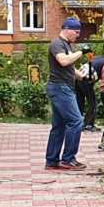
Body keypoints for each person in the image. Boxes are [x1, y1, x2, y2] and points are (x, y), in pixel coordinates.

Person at [44, 18, 87, 171]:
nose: (78, 35)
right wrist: (80, 52)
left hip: (62, 87)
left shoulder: (67, 45)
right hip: (60, 88)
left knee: (59, 126)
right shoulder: (57, 43)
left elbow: (68, 67)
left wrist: (82, 75)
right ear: (67, 29)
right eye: (76, 32)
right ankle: (68, 159)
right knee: (76, 121)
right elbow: (63, 61)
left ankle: (52, 161)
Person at [75, 49, 99, 132]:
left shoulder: (98, 59)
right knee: (92, 104)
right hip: (85, 79)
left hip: (78, 78)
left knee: (79, 102)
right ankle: (89, 125)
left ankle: (77, 124)